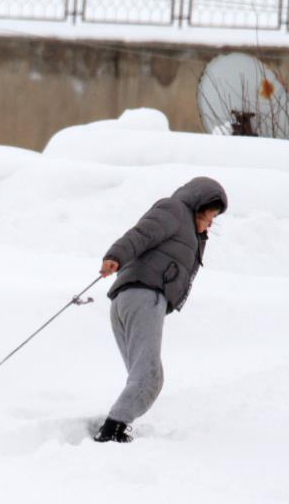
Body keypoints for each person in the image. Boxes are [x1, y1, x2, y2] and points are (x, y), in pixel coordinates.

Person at [94, 177, 227, 443]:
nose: (210, 223)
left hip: (130, 299)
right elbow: (141, 234)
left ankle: (114, 427)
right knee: (149, 378)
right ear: (199, 205)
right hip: (144, 296)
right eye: (210, 215)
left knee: (141, 375)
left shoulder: (189, 229)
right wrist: (115, 256)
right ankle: (112, 430)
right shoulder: (174, 211)